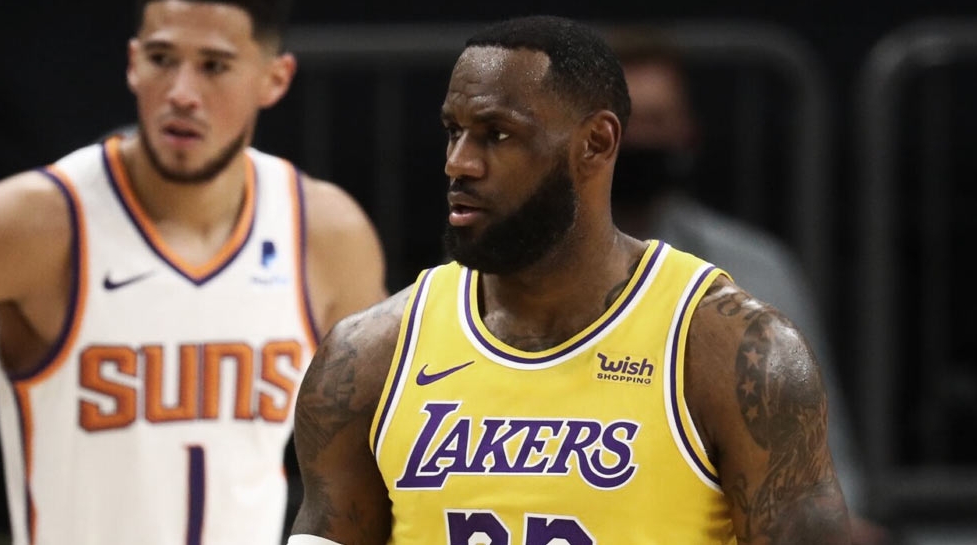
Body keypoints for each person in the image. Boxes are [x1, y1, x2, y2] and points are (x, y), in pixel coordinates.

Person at [0, 0, 386, 543]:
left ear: (274, 79)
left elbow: (389, 422)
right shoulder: (40, 222)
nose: (181, 91)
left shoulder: (325, 233)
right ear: (131, 63)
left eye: (214, 66)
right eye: (161, 58)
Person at [288, 15, 849, 544]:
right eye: (453, 131)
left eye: (497, 134)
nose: (459, 162)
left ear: (596, 143)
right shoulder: (367, 358)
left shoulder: (731, 352)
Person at [607, 27, 890, 544]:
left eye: (656, 121)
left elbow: (814, 442)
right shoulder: (519, 271)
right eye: (624, 124)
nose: (640, 141)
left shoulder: (755, 267)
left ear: (688, 134)